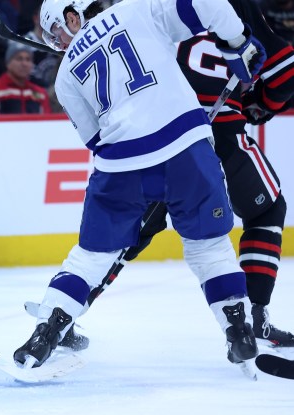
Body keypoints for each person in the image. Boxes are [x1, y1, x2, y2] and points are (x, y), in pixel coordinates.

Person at [13, 0, 267, 375]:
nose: (56, 45)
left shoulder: (65, 73)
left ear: (73, 15)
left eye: (55, 33)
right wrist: (238, 41)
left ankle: (45, 334)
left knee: (91, 257)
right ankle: (238, 329)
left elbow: (94, 138)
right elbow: (206, 3)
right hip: (186, 145)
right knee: (209, 247)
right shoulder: (136, 9)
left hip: (121, 162)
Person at [81, 0, 294, 348]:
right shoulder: (235, 5)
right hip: (220, 132)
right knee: (266, 210)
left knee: (125, 233)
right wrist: (260, 105)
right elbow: (285, 71)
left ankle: (64, 315)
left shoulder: (140, 6)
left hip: (156, 136)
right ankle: (254, 315)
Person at [0, 41, 51, 114]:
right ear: (7, 63)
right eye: (19, 59)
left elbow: (47, 122)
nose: (24, 64)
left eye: (28, 59)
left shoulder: (40, 92)